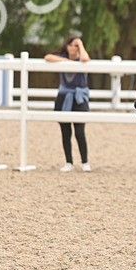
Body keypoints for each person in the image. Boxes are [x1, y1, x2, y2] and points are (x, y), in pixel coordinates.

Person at [45, 35, 91, 172]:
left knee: (79, 131)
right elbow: (48, 57)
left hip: (79, 98)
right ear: (66, 46)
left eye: (76, 46)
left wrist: (80, 44)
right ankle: (68, 162)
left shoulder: (81, 59)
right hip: (64, 97)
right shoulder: (62, 59)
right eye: (71, 45)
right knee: (65, 132)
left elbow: (85, 59)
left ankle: (85, 162)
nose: (73, 48)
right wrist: (65, 60)